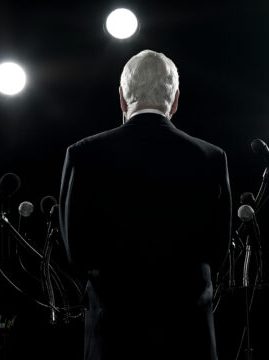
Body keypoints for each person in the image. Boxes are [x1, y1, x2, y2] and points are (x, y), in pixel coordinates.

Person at [59, 50, 232, 360]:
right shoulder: (211, 157)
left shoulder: (84, 154)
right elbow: (217, 252)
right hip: (188, 335)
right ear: (175, 100)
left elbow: (75, 254)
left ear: (123, 99)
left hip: (113, 336)